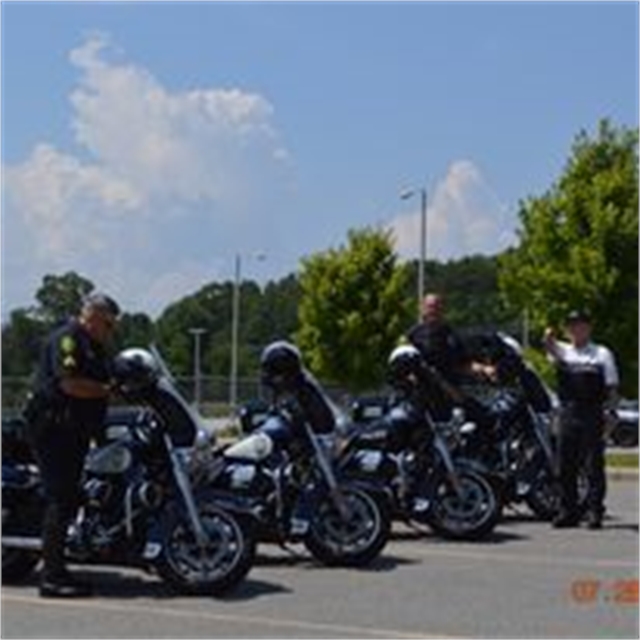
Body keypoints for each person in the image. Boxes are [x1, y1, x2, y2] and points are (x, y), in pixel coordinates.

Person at [26, 293, 120, 597]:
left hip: (74, 430)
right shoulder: (68, 340)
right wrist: (107, 390)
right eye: (107, 323)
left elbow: (107, 377)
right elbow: (70, 383)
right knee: (61, 497)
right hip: (54, 429)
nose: (109, 330)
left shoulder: (93, 345)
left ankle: (64, 566)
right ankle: (50, 578)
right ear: (91, 315)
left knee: (73, 494)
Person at [544, 309, 619, 529]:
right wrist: (548, 335)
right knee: (565, 465)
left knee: (593, 464)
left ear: (589, 328)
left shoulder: (601, 353)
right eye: (572, 326)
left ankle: (594, 510)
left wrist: (611, 415)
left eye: (581, 325)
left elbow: (612, 388)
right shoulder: (564, 352)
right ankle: (568, 510)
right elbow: (549, 345)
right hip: (568, 411)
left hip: (592, 412)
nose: (577, 329)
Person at [405, 293, 496, 422]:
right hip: (423, 401)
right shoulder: (413, 335)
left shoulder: (451, 334)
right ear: (422, 309)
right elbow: (403, 367)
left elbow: (464, 363)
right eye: (430, 306)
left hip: (451, 396)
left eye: (437, 306)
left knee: (484, 417)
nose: (434, 310)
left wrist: (485, 369)